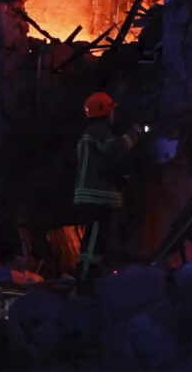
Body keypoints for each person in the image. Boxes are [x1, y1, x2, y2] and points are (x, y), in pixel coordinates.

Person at [74, 91, 142, 289]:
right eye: (112, 110)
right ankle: (86, 278)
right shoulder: (98, 131)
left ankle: (92, 275)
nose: (114, 114)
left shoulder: (91, 133)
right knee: (95, 238)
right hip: (96, 197)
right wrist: (133, 135)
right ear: (104, 111)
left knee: (98, 238)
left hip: (92, 196)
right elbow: (115, 149)